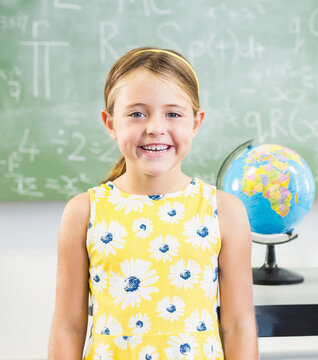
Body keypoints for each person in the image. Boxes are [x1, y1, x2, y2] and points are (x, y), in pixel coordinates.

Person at [48, 47, 258, 359]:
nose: (155, 128)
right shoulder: (84, 212)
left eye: (173, 113)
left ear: (196, 122)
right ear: (110, 123)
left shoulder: (224, 211)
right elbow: (68, 325)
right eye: (136, 113)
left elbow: (238, 324)